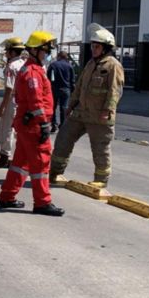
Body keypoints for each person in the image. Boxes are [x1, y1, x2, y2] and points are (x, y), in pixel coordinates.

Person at [0, 31, 64, 216]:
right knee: (41, 164)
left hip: (27, 123)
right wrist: (43, 124)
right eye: (46, 50)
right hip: (33, 124)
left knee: (21, 162)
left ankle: (7, 196)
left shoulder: (32, 69)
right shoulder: (33, 72)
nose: (47, 53)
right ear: (35, 50)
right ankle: (42, 202)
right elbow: (36, 101)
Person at [50, 24, 124, 188]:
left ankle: (101, 179)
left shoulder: (113, 65)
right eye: (92, 45)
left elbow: (115, 91)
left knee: (100, 149)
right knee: (63, 139)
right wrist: (70, 105)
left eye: (97, 46)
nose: (93, 49)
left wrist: (107, 111)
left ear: (105, 48)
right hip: (81, 113)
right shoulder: (91, 64)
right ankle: (55, 172)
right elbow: (79, 87)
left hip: (99, 115)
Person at [0, 37, 27, 169]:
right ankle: (16, 157)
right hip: (23, 102)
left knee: (5, 131)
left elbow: (9, 88)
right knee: (17, 131)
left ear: (12, 52)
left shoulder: (11, 66)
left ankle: (5, 157)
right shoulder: (25, 64)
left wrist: (2, 107)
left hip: (12, 101)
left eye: (7, 51)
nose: (5, 54)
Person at [46, 50, 75, 132]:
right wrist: (73, 92)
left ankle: (54, 125)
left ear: (59, 56)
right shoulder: (69, 66)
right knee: (64, 108)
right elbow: (72, 80)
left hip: (54, 89)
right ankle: (62, 125)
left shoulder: (53, 65)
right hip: (66, 89)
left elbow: (48, 78)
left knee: (53, 107)